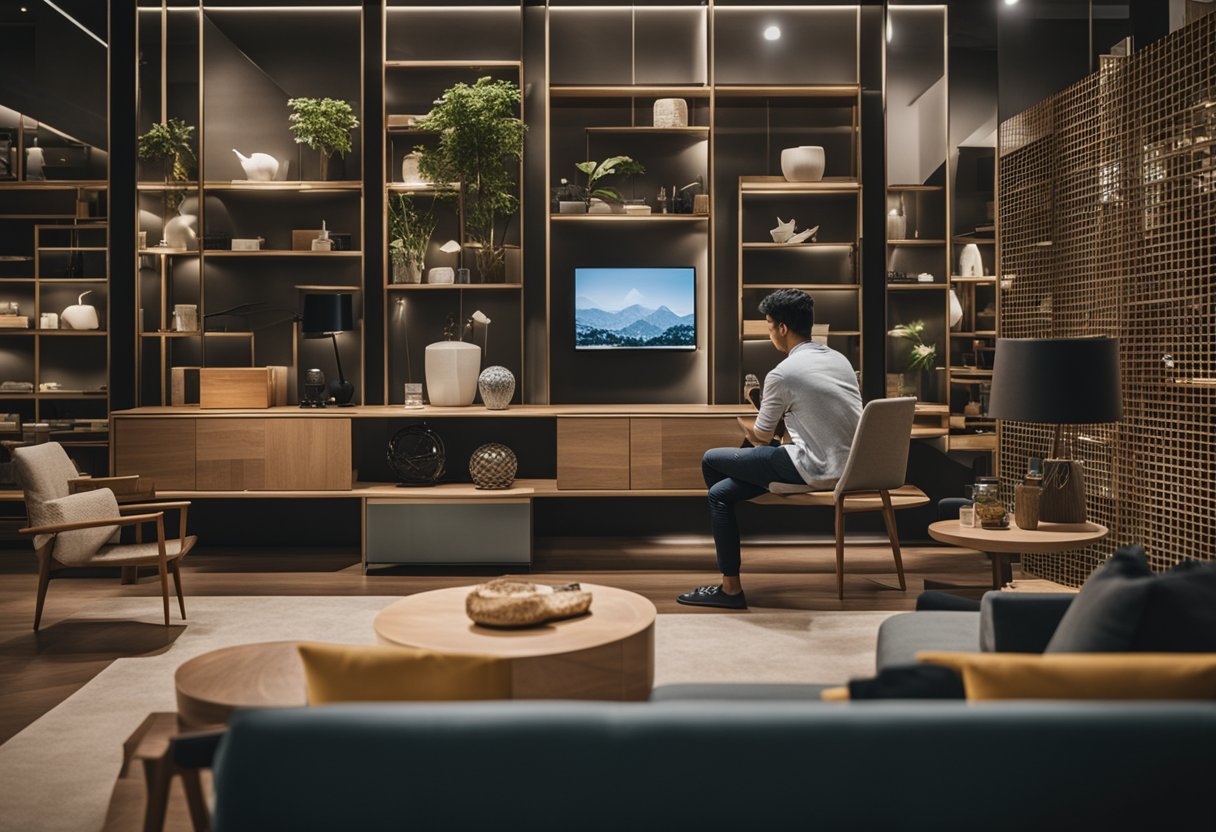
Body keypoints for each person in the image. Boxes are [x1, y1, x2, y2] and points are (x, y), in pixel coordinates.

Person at [677, 289, 862, 609]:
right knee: (721, 493)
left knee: (711, 460)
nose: (768, 332)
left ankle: (731, 587)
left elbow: (761, 436)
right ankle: (728, 578)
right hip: (851, 467)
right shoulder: (838, 359)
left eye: (768, 324)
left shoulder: (783, 373)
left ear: (782, 329)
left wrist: (749, 418)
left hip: (812, 467)